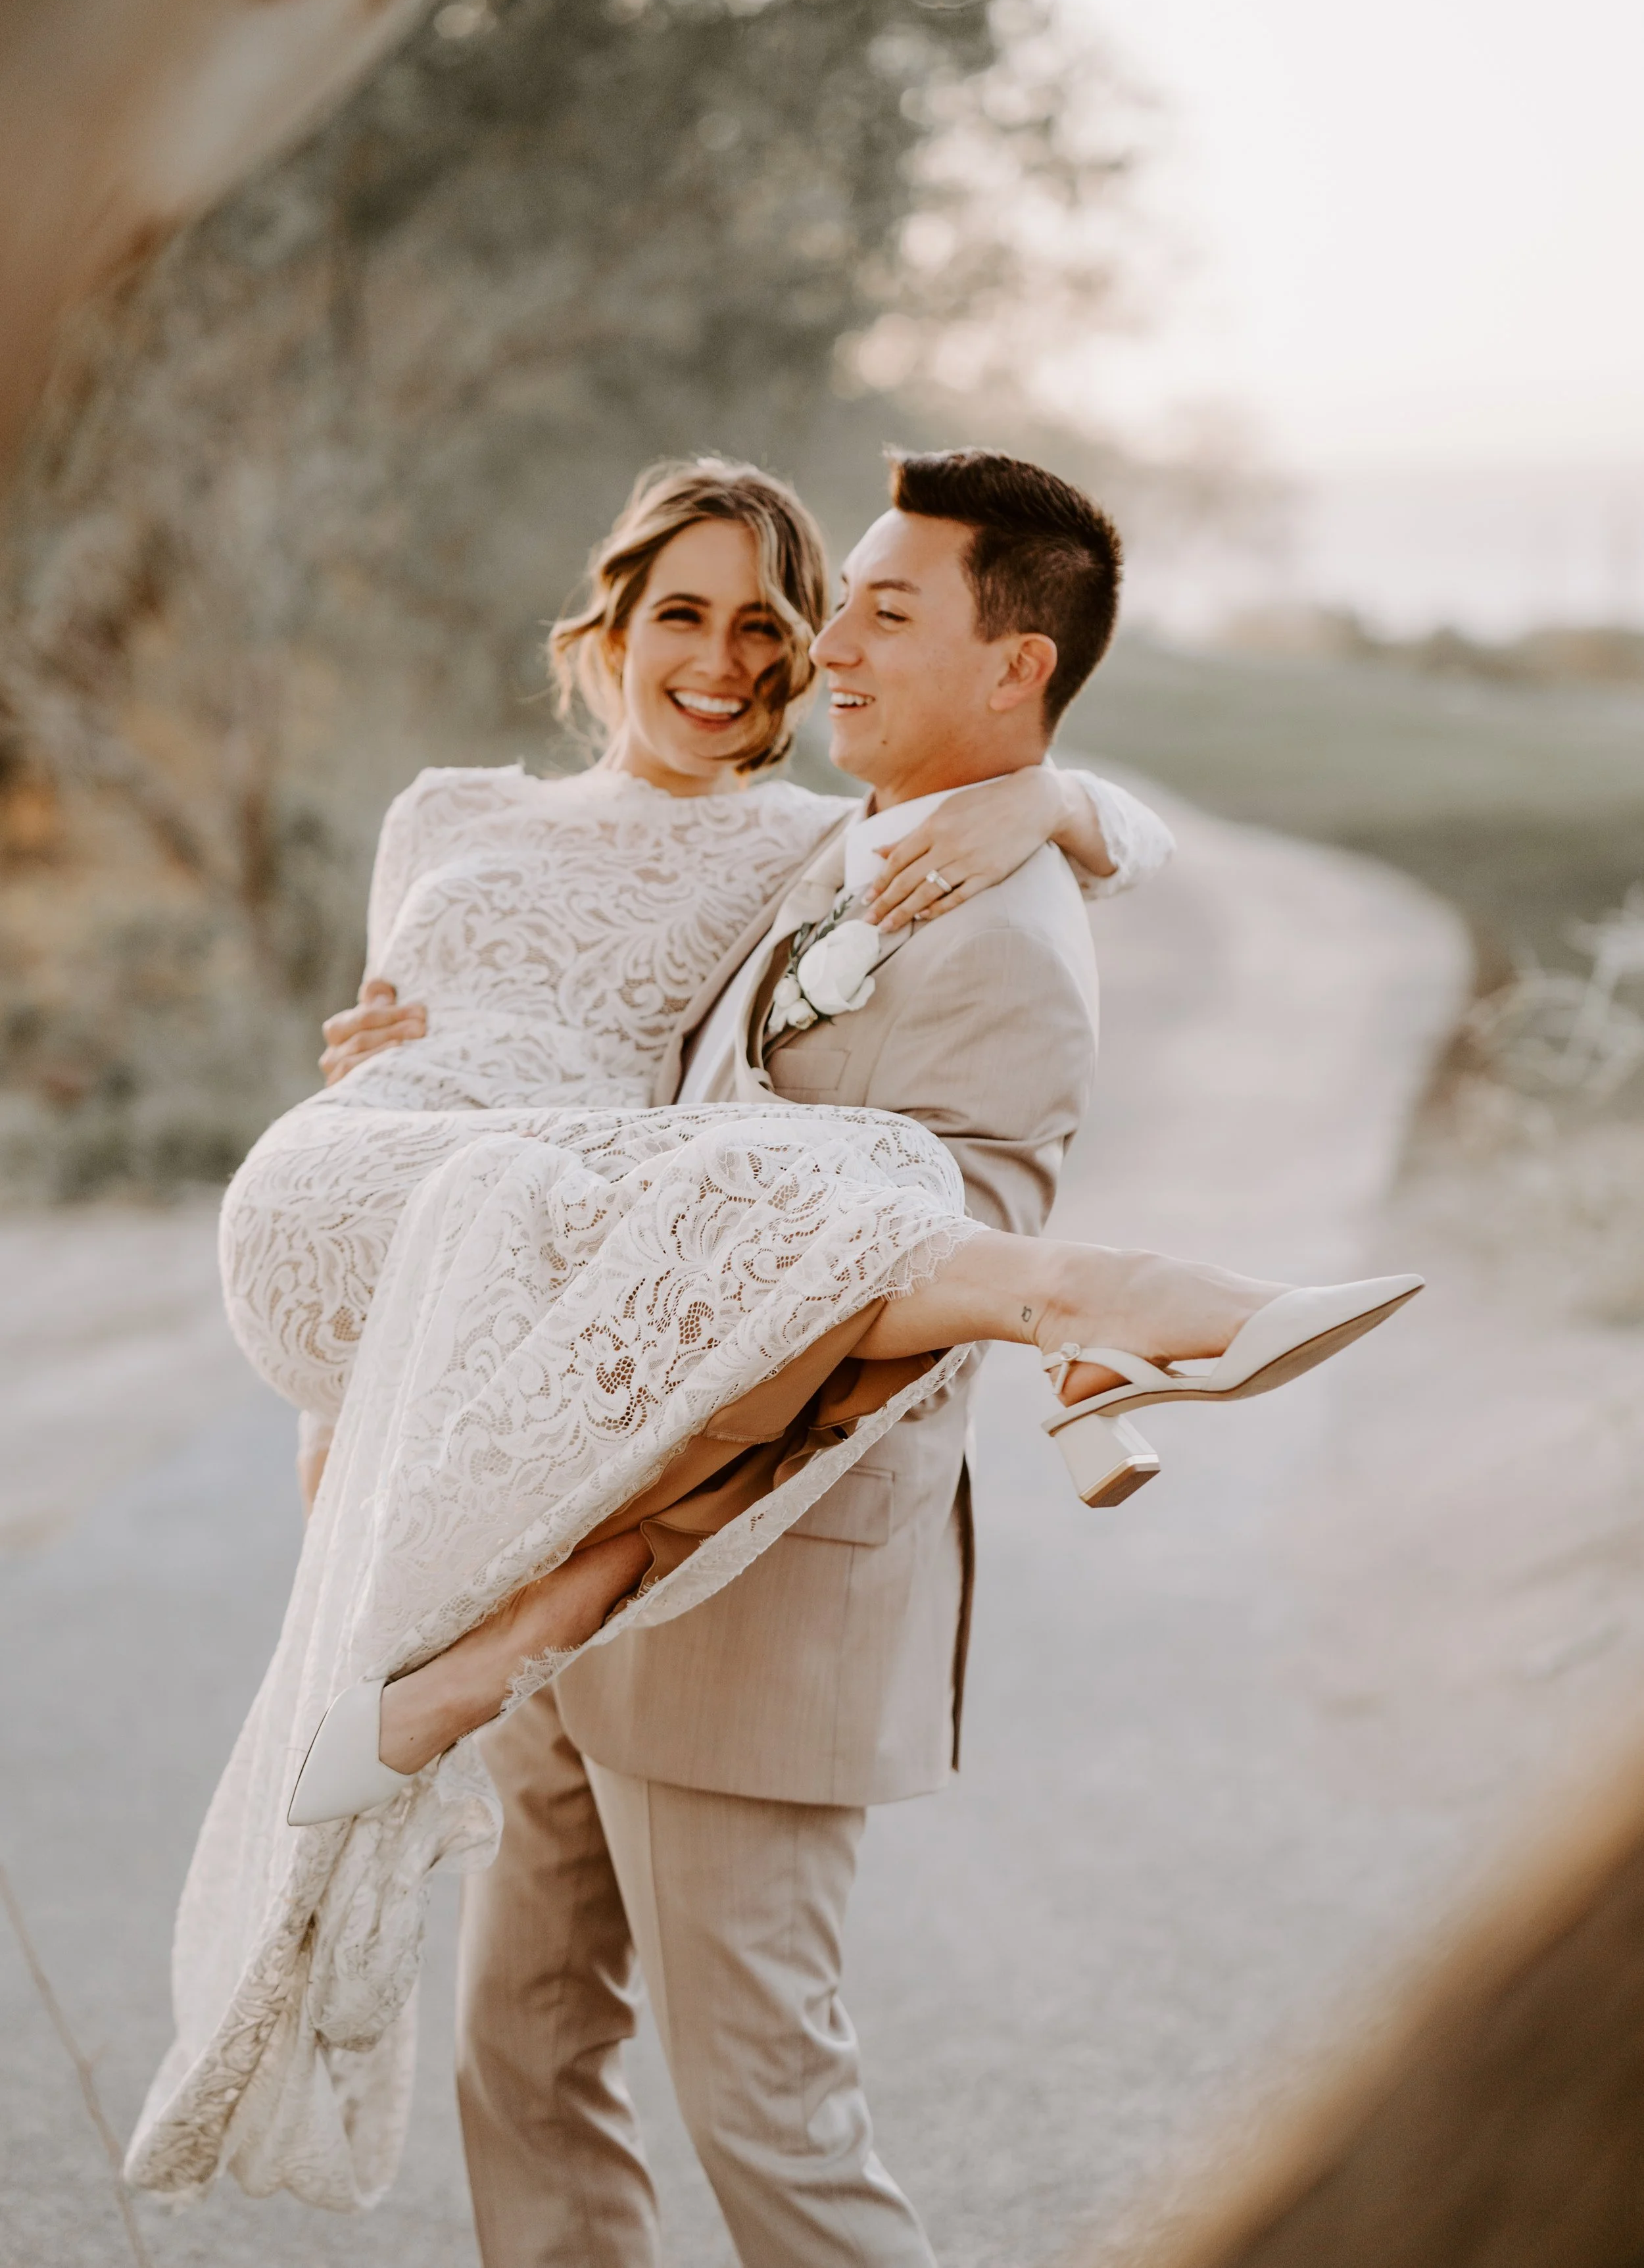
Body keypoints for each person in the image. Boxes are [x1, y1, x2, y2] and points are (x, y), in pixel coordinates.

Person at [126, 454, 1415, 2234]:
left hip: (727, 1569)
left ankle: (1076, 1306)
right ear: (608, 627)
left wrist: (1052, 805)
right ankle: (1068, 1331)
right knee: (522, 2053)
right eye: (688, 615)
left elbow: (1079, 872)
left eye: (790, 624)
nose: (738, 658)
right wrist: (382, 1073)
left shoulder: (824, 856)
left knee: (770, 2125)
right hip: (496, 1381)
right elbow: (466, 1090)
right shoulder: (459, 817)